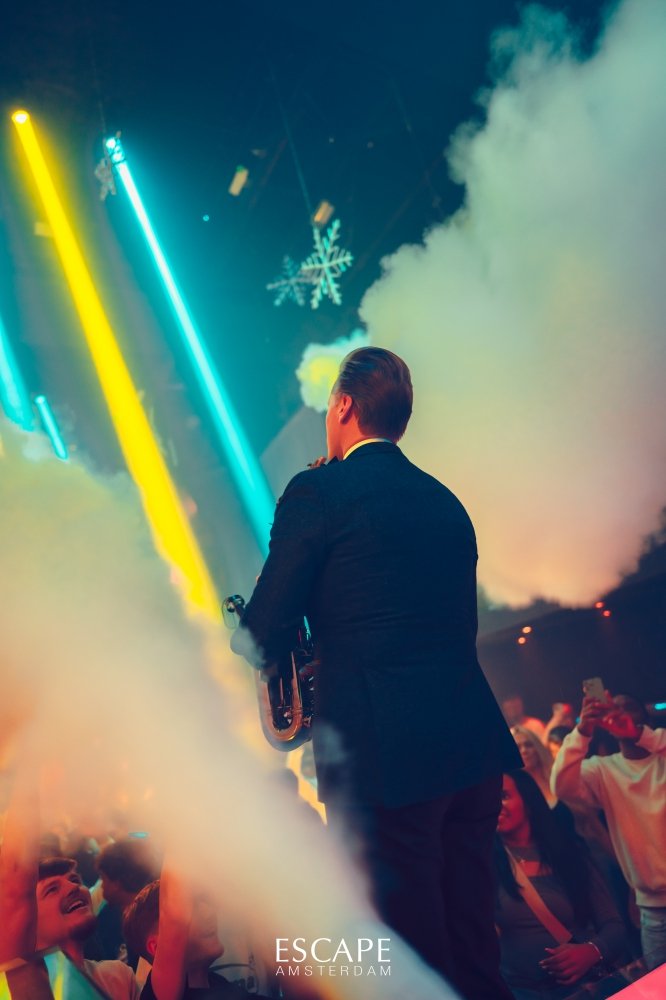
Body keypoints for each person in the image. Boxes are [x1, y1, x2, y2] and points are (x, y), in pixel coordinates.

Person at [231, 346, 521, 999]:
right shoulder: (445, 501)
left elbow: (264, 630)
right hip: (471, 748)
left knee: (408, 961)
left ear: (342, 406)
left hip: (383, 762)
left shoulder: (316, 490)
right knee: (476, 948)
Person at [0, 766, 140, 999]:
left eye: (75, 879)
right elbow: (15, 876)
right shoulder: (14, 983)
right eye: (52, 889)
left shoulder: (118, 976)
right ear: (28, 916)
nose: (73, 887)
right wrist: (29, 760)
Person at [551, 692, 666, 971]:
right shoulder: (603, 770)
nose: (620, 713)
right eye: (613, 709)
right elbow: (561, 787)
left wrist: (639, 734)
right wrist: (582, 731)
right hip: (653, 909)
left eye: (629, 708)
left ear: (645, 717)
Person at [495, 769, 624, 1000]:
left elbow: (614, 926)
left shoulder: (568, 854)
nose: (495, 806)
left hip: (584, 989)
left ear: (527, 799)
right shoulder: (483, 866)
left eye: (504, 796)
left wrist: (592, 951)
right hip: (522, 993)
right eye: (488, 801)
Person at [122, 871, 272, 1000]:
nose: (210, 913)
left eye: (204, 903)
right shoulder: (162, 995)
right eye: (192, 911)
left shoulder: (220, 985)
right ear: (157, 947)